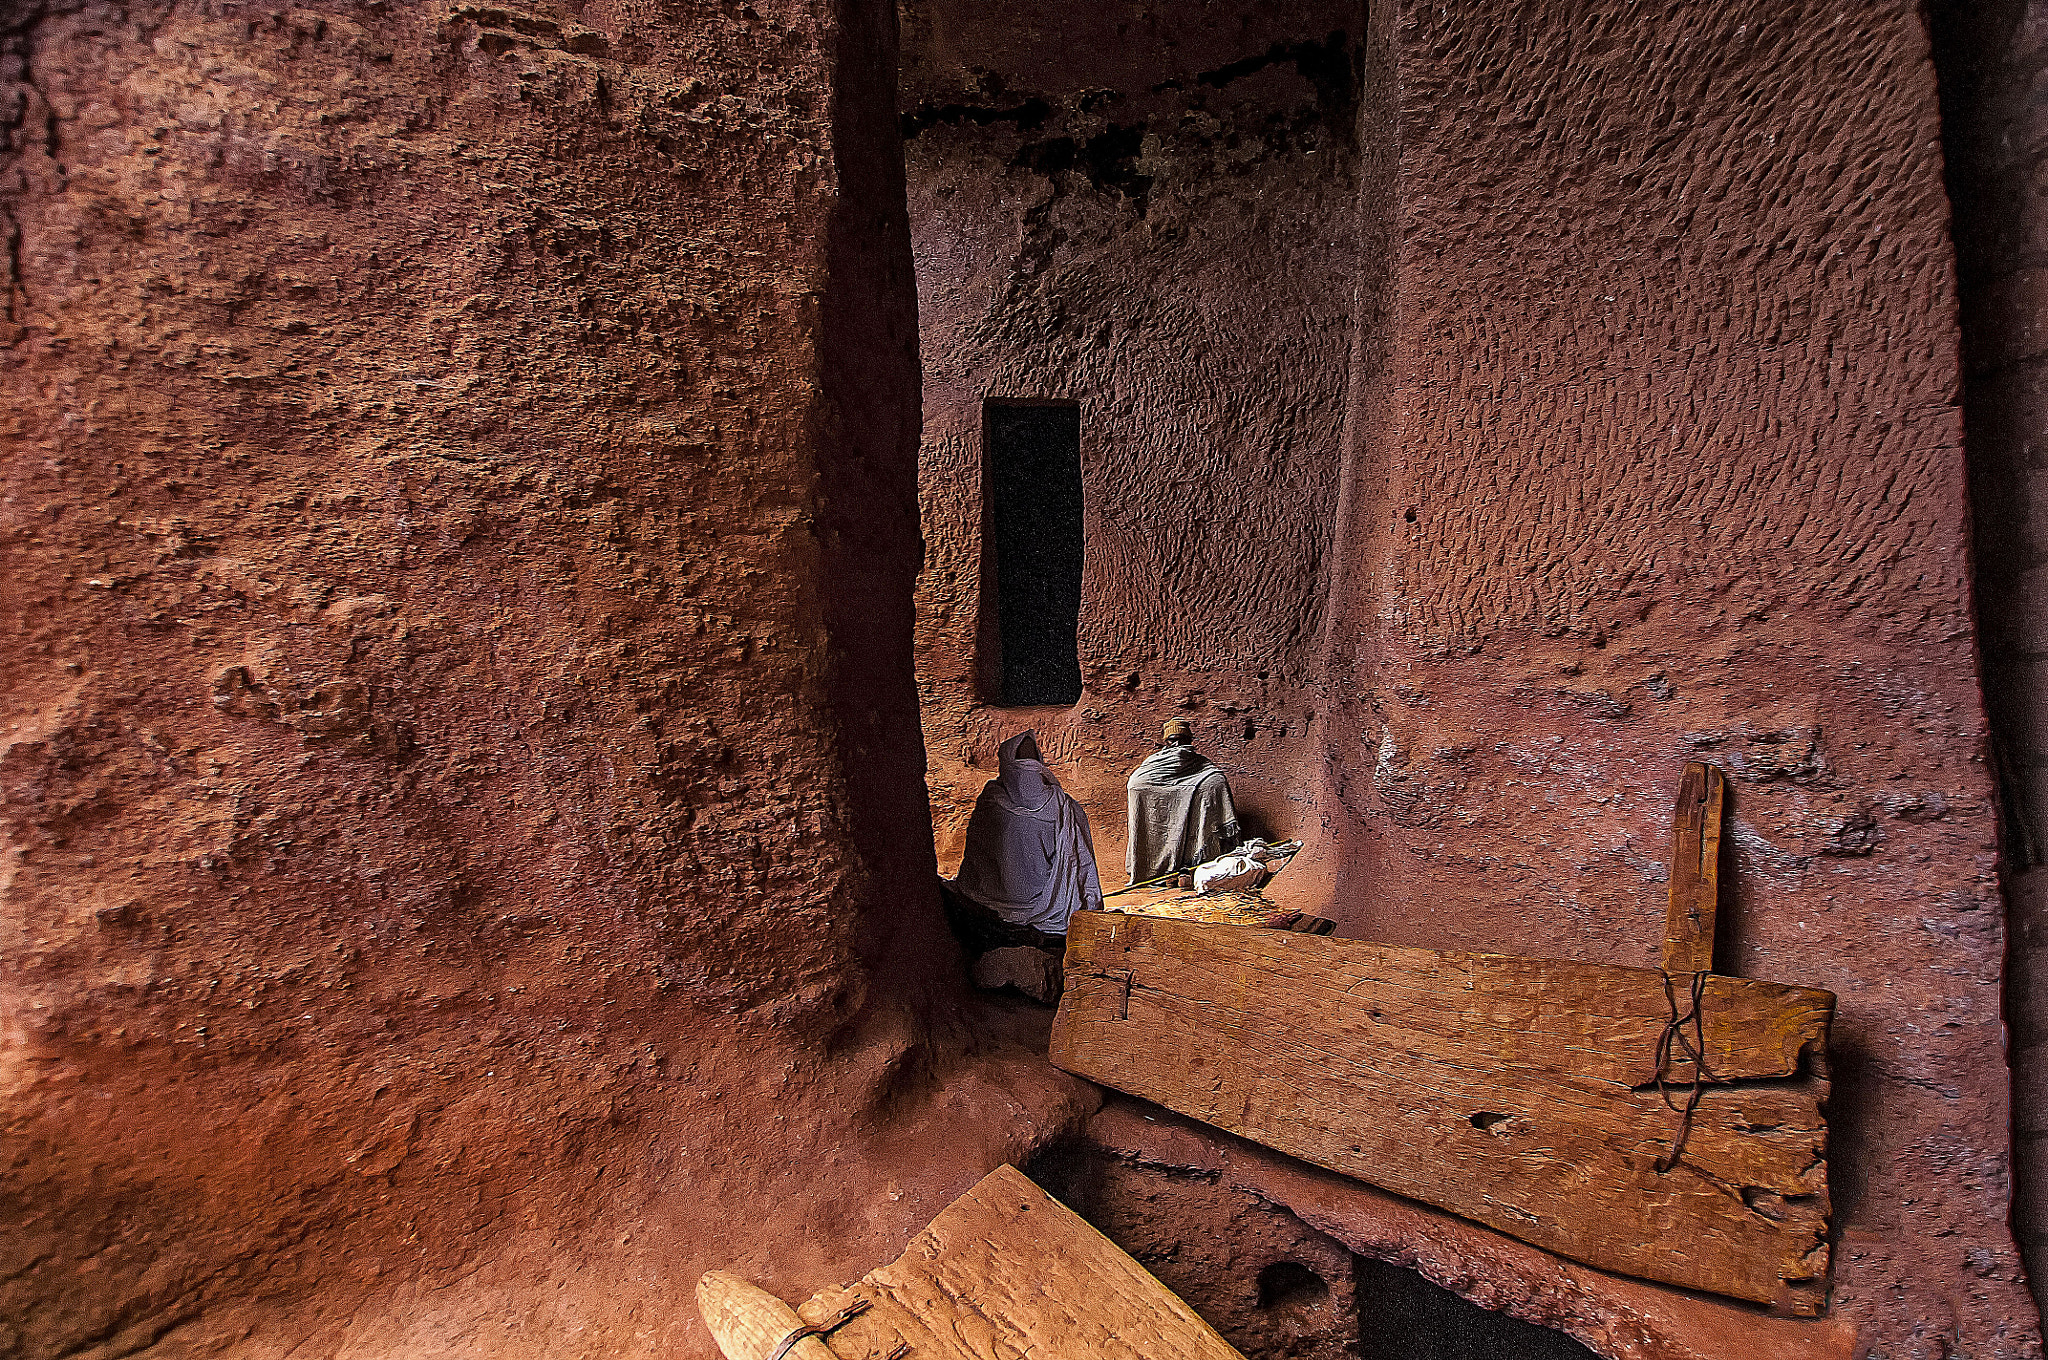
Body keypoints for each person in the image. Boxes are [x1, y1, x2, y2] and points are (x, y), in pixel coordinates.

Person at [948, 730, 1104, 940]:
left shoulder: (989, 802)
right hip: (1050, 910)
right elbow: (1083, 869)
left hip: (985, 901)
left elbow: (974, 866)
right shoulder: (1063, 807)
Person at [1126, 718, 1240, 884]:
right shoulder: (1155, 764)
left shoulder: (1199, 764)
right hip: (1161, 817)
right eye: (1173, 740)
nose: (1178, 744)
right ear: (1166, 742)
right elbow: (1136, 784)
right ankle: (1158, 868)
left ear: (1190, 741)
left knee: (1216, 783)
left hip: (1196, 797)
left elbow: (1214, 777)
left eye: (1183, 740)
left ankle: (1195, 863)